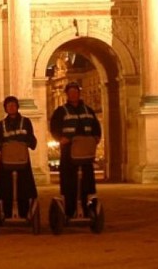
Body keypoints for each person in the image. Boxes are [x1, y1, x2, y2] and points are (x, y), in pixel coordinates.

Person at [50, 82, 102, 218]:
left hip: (85, 152)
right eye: (71, 92)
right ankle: (69, 209)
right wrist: (60, 138)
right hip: (68, 152)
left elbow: (96, 126)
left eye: (76, 92)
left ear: (79, 93)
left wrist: (96, 138)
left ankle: (86, 207)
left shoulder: (89, 110)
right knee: (69, 182)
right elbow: (54, 127)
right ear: (67, 94)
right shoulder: (60, 111)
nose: (73, 94)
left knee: (87, 181)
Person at [0, 96, 38, 218]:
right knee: (6, 187)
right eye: (9, 106)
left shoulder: (26, 122)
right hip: (7, 162)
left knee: (24, 187)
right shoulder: (1, 124)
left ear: (17, 107)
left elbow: (31, 138)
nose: (11, 107)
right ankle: (6, 211)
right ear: (5, 109)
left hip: (22, 160)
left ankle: (25, 210)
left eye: (13, 105)